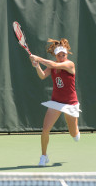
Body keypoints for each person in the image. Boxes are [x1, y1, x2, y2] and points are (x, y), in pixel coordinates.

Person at [29, 38, 81, 166]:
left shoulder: (70, 64)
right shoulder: (52, 65)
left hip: (70, 103)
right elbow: (42, 75)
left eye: (63, 54)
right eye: (59, 55)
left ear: (66, 54)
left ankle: (76, 131)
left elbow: (54, 65)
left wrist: (38, 59)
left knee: (74, 135)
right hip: (56, 102)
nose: (62, 56)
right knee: (45, 129)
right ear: (55, 55)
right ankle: (43, 156)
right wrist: (37, 66)